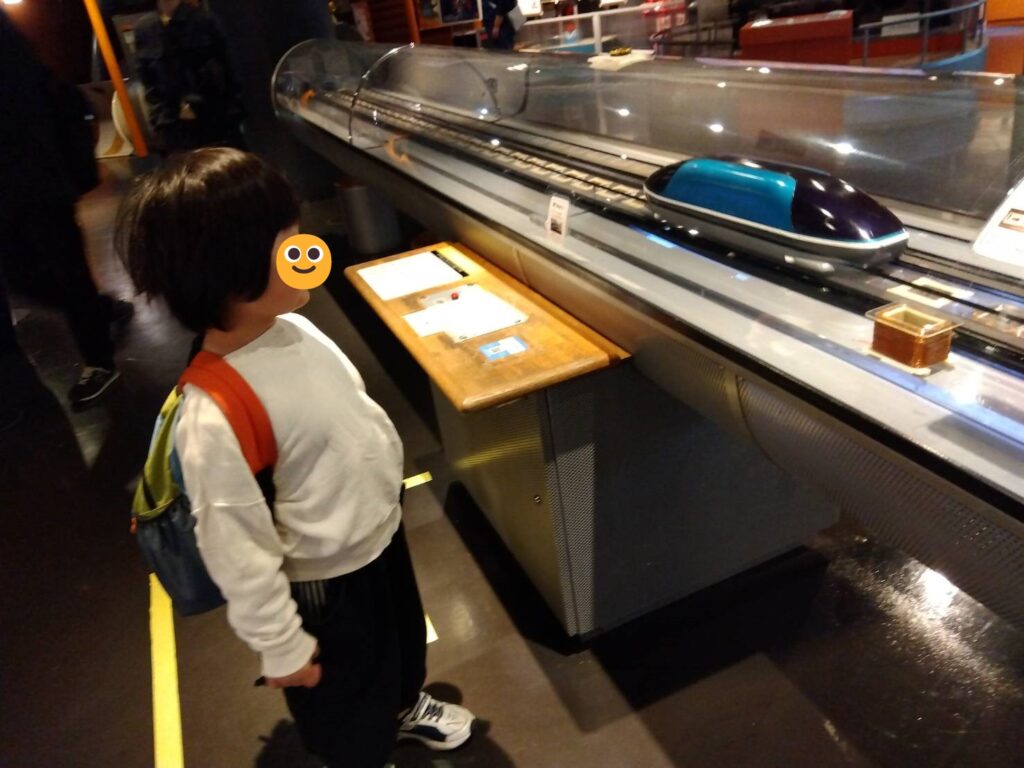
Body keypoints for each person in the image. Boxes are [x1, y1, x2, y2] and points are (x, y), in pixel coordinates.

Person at [116, 147, 475, 768]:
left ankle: (402, 705)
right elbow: (238, 551)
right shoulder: (214, 412)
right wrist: (282, 647)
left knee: (397, 646)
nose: (308, 251)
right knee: (343, 698)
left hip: (375, 539)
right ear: (227, 272)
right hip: (323, 585)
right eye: (288, 243)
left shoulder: (292, 327)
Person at [0, 8, 132, 407]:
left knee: (67, 272)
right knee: (22, 278)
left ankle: (99, 361)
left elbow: (39, 108)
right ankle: (99, 310)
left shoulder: (12, 54)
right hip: (18, 189)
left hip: (39, 184)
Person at [133, 0, 244, 152]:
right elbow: (147, 80)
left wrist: (232, 115)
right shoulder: (145, 29)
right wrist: (158, 119)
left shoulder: (204, 21)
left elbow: (231, 71)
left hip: (215, 122)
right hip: (172, 128)